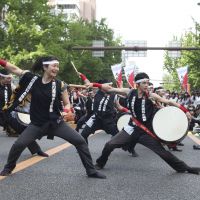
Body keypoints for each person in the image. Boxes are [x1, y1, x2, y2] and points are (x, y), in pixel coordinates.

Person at [0, 57, 106, 179]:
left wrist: (67, 111)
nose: (57, 69)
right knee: (19, 144)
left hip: (55, 123)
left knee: (80, 141)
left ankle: (91, 171)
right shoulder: (32, 79)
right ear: (45, 67)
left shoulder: (60, 84)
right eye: (54, 66)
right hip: (37, 124)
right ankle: (8, 167)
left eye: (57, 66)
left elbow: (67, 103)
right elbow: (14, 68)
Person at [86, 72, 200, 175]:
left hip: (146, 131)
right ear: (137, 84)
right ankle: (100, 163)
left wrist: (186, 111)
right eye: (144, 83)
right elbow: (110, 89)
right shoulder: (129, 92)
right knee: (109, 144)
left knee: (162, 152)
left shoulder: (151, 96)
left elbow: (169, 101)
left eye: (147, 82)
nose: (146, 85)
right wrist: (95, 85)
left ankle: (184, 168)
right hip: (131, 128)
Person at [0, 69, 48, 157]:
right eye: (8, 78)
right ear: (1, 78)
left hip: (7, 112)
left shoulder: (10, 86)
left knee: (23, 131)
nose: (10, 79)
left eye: (10, 78)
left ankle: (37, 150)